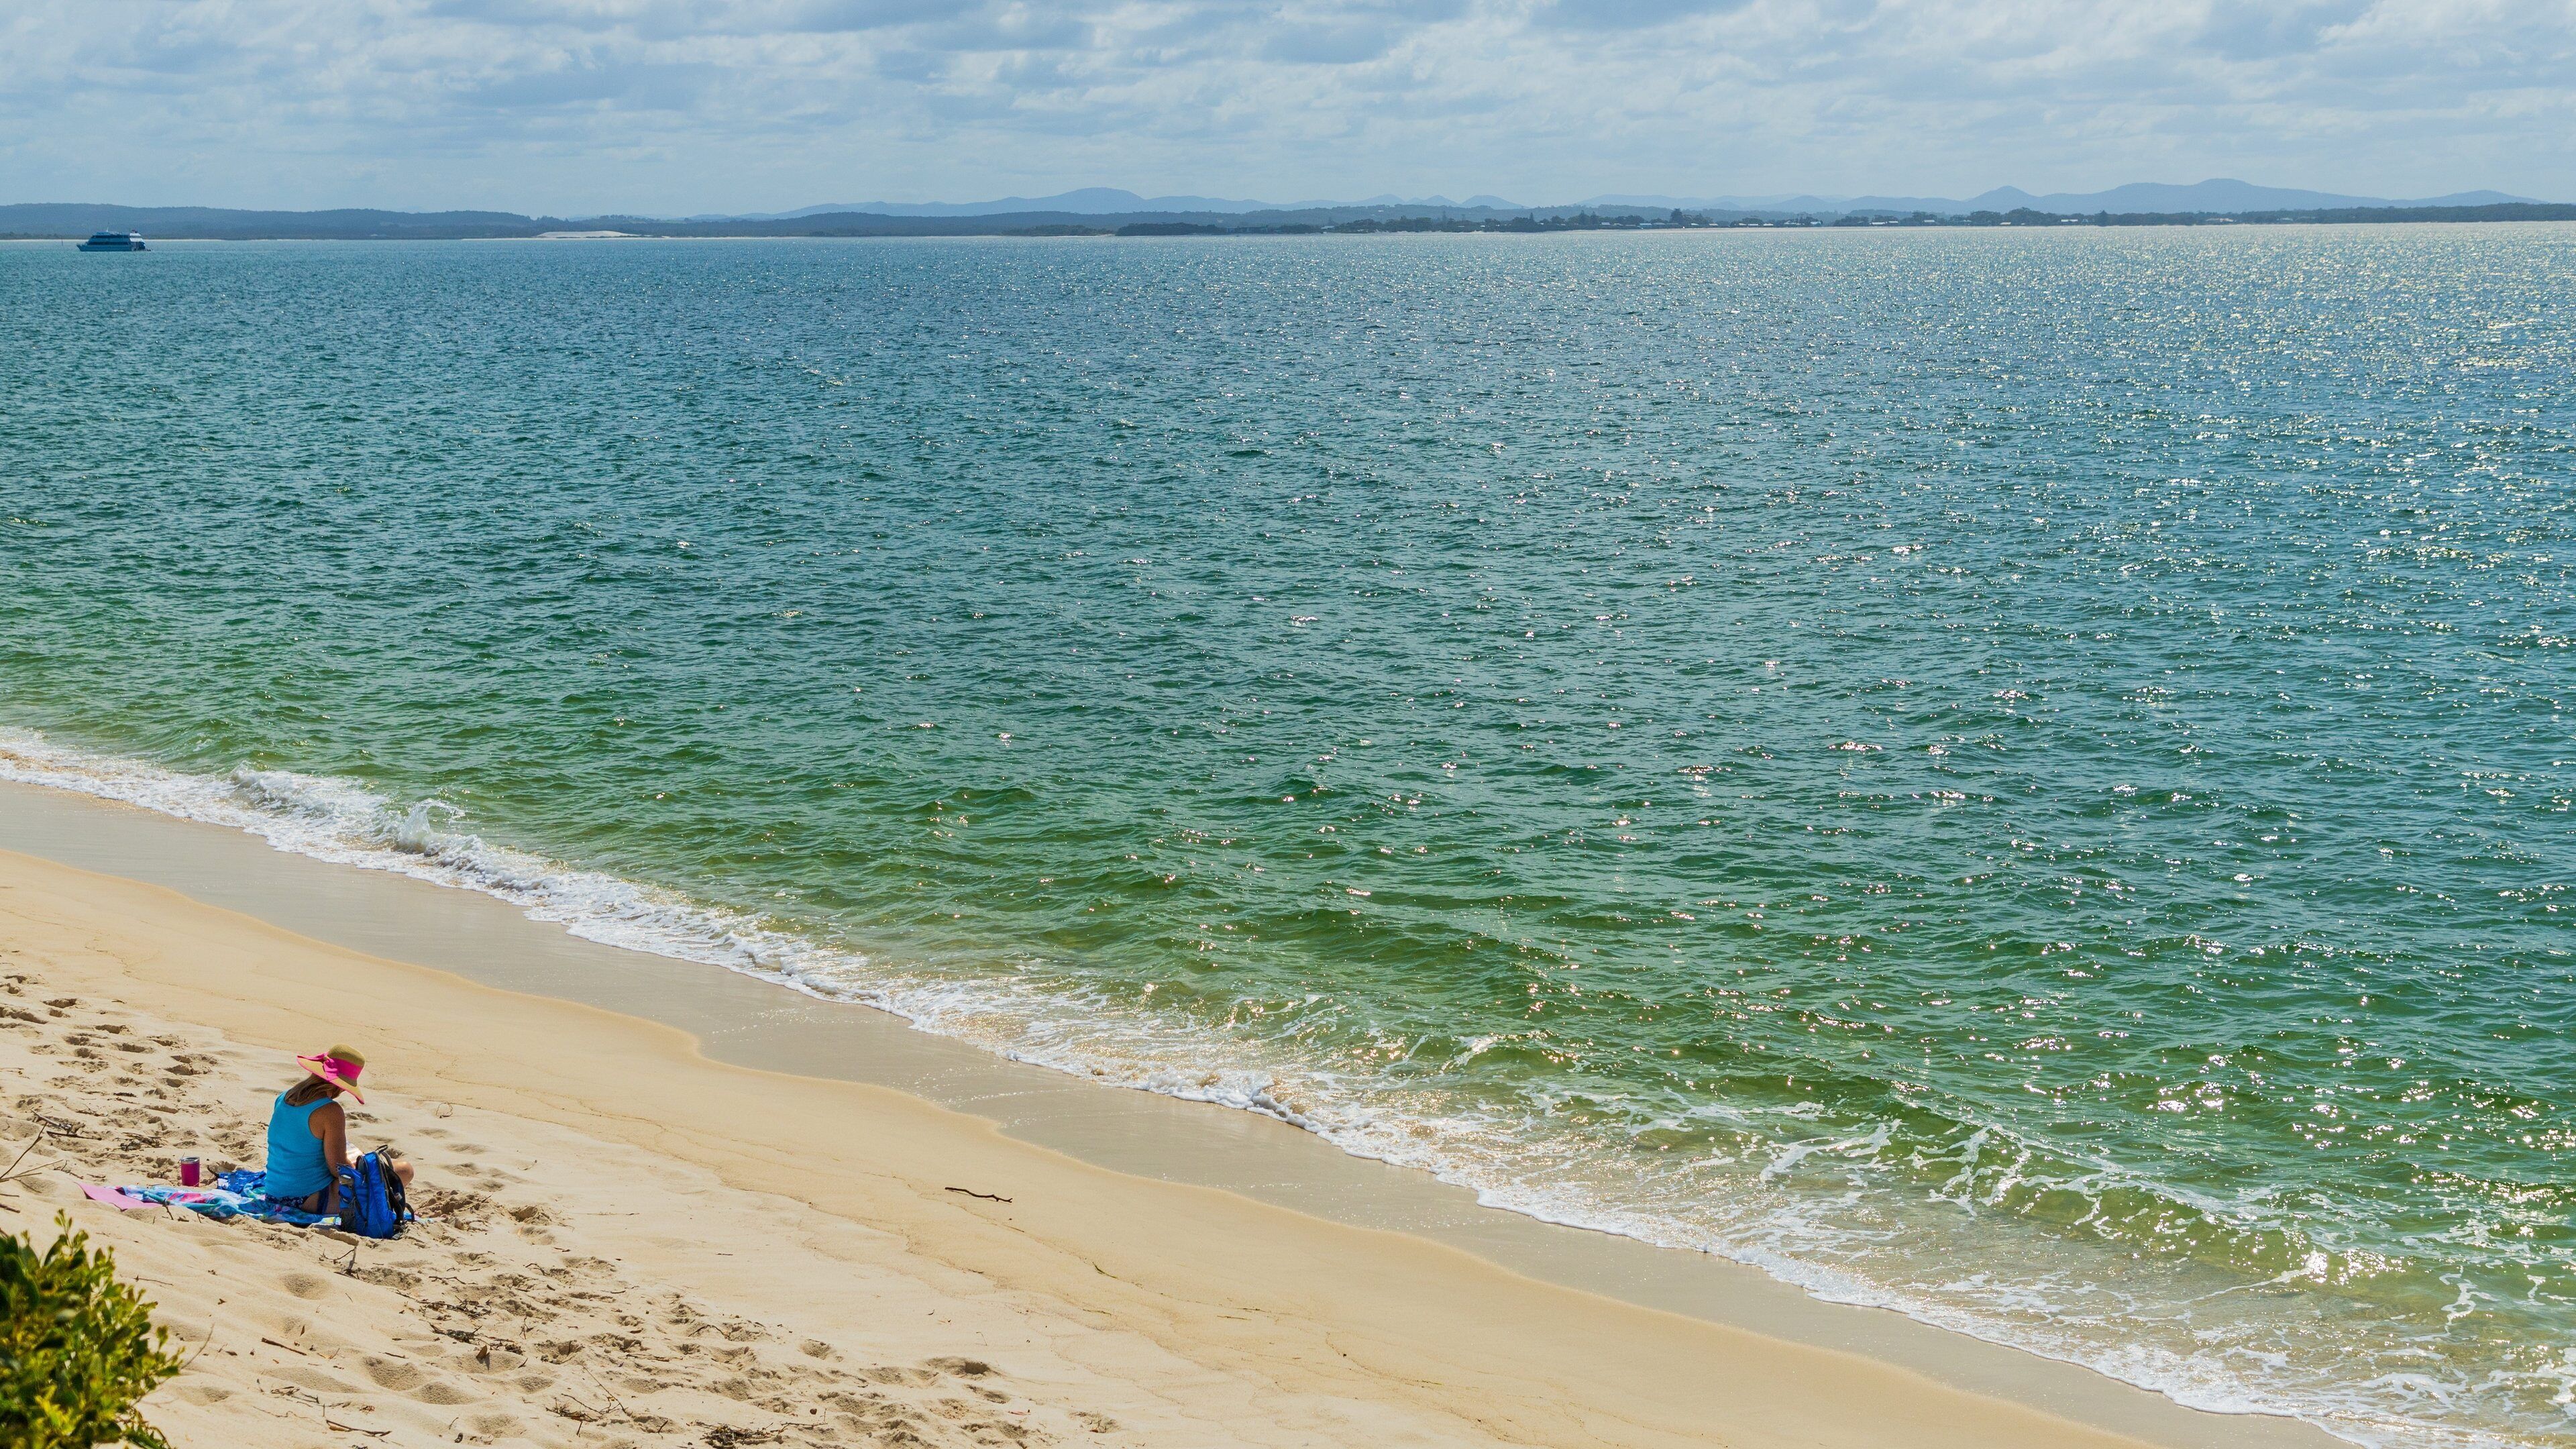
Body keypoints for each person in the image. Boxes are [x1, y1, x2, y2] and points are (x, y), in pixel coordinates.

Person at [263, 1045, 413, 1214]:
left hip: (274, 1193)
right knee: (404, 1170)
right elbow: (338, 1169)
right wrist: (357, 1166)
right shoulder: (330, 1111)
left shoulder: (285, 1096)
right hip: (307, 1199)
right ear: (340, 1085)